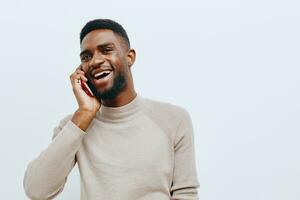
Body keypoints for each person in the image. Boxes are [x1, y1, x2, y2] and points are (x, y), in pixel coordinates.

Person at [23, 19, 200, 200]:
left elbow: (185, 195)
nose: (95, 61)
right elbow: (36, 191)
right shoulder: (76, 125)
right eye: (86, 57)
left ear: (129, 57)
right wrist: (84, 113)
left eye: (106, 50)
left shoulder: (174, 119)